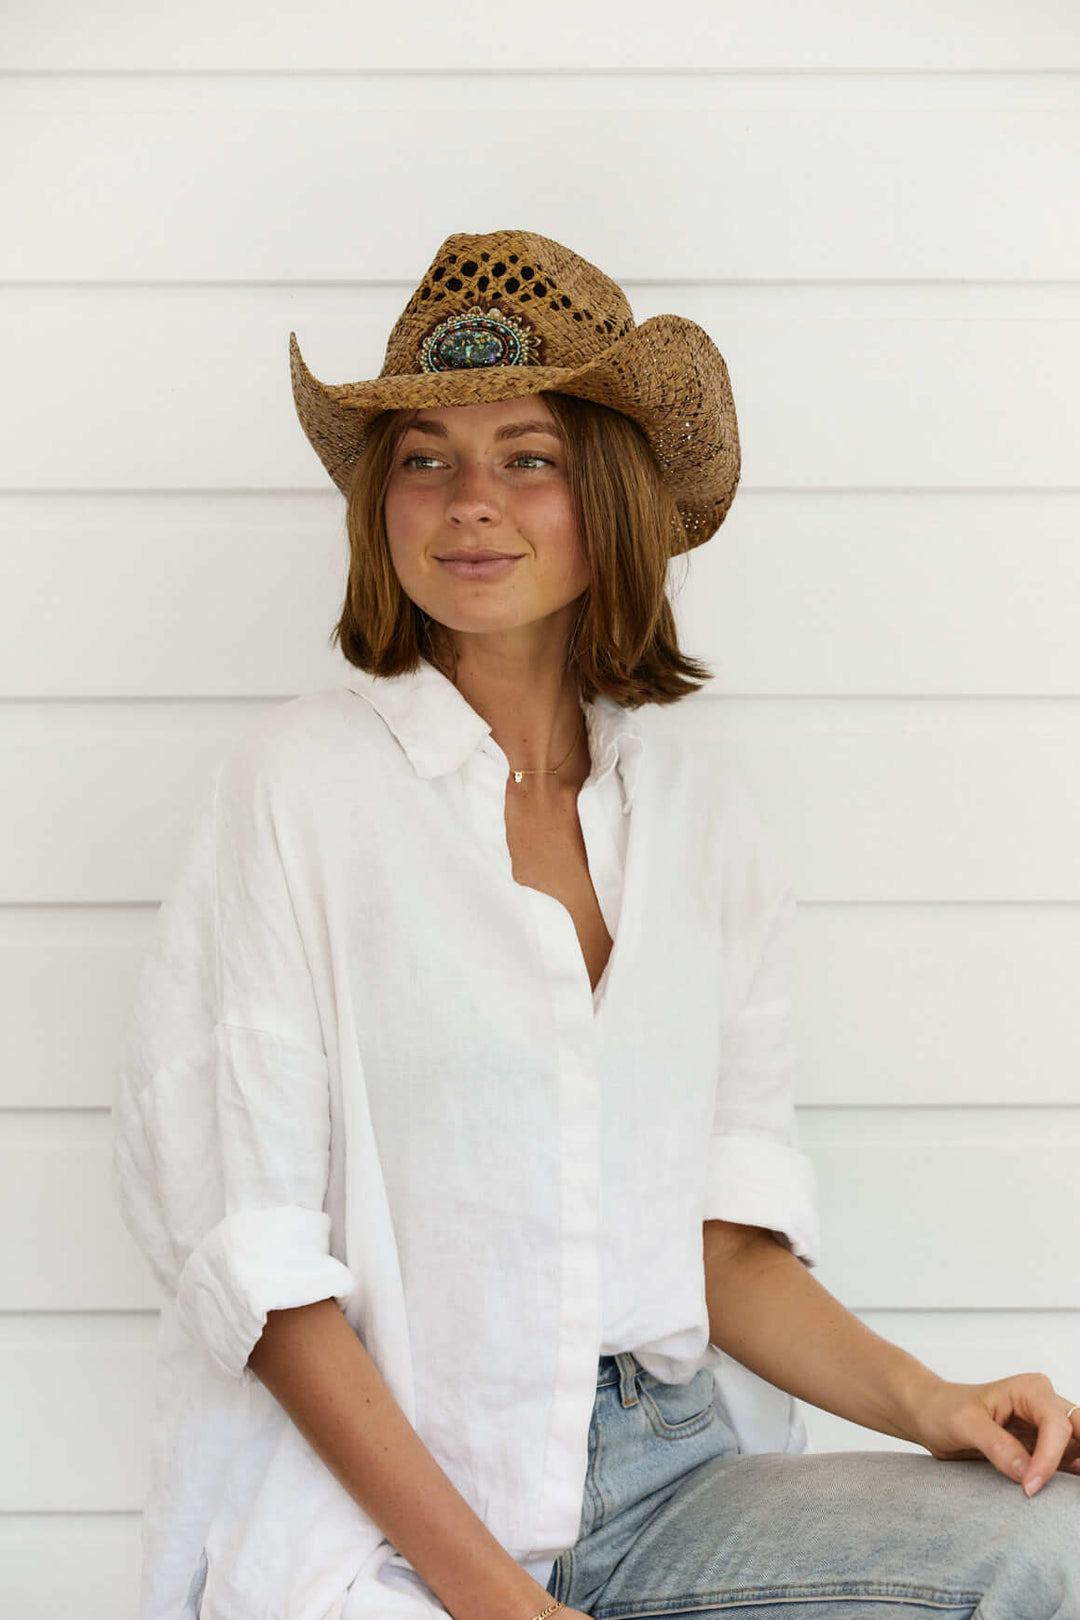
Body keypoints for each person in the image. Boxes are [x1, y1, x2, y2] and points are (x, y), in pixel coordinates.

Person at [111, 229, 1079, 1620]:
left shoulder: (704, 828)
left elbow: (722, 1249)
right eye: (423, 456)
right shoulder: (299, 793)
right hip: (393, 1515)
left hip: (674, 1482)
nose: (467, 503)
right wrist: (506, 1604)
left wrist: (936, 1402)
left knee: (1045, 1547)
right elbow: (264, 1287)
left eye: (529, 455)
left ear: (612, 492)